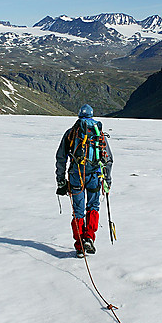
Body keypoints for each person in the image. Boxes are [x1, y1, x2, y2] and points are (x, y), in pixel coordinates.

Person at [55, 104, 113, 258]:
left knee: (78, 211)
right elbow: (108, 159)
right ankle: (89, 237)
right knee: (93, 206)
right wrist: (107, 179)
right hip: (94, 176)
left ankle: (80, 246)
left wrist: (61, 181)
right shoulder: (98, 134)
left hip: (76, 176)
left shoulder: (72, 133)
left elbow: (61, 158)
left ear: (79, 115)